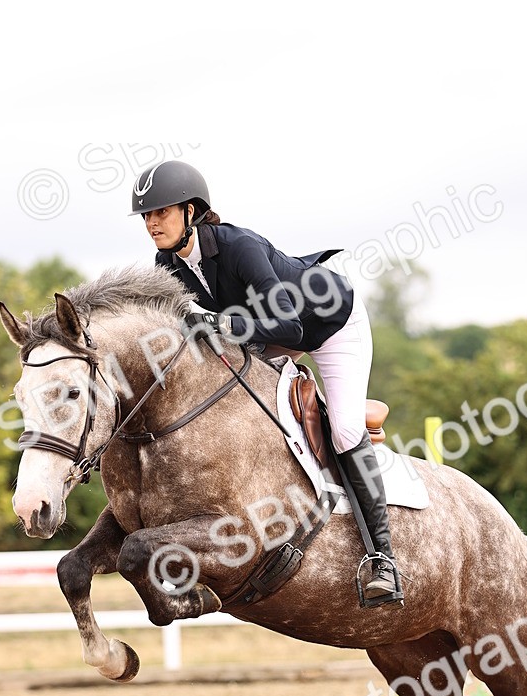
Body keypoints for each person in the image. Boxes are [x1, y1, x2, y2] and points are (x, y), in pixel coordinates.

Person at [130, 160, 403, 607]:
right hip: (268, 332)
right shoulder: (167, 265)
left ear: (192, 211)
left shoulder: (240, 247)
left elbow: (291, 330)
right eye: (147, 215)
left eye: (161, 212)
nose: (152, 223)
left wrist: (217, 321)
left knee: (346, 430)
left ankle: (383, 559)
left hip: (328, 325)